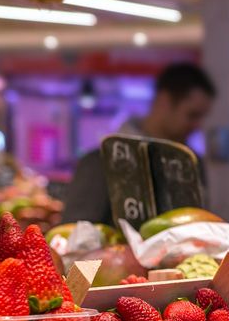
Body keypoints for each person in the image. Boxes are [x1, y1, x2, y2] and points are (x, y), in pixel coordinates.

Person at [62, 62, 216, 226]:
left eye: (202, 117)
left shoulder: (192, 163)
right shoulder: (100, 162)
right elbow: (72, 234)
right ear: (164, 101)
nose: (198, 125)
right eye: (192, 115)